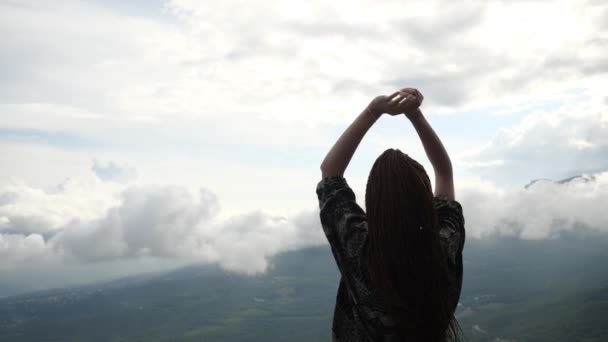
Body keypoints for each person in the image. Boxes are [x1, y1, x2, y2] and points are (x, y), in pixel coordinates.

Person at [317, 88, 465, 341]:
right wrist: (415, 116)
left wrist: (373, 111)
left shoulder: (359, 247)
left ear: (373, 203)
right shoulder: (444, 244)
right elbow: (444, 172)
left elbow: (330, 172)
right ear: (424, 200)